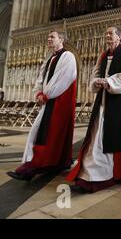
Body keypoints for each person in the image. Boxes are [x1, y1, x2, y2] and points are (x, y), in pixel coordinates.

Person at [67, 27, 121, 193]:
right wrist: (96, 82)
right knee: (96, 137)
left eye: (111, 33)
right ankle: (89, 175)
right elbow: (94, 74)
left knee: (105, 139)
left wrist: (108, 82)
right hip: (101, 101)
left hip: (116, 102)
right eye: (106, 33)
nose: (107, 35)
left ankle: (101, 177)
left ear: (119, 37)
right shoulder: (102, 56)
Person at [7, 31, 77, 181]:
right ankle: (50, 163)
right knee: (43, 133)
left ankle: (32, 167)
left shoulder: (68, 57)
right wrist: (38, 92)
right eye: (48, 37)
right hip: (49, 101)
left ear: (62, 39)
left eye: (52, 37)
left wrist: (47, 95)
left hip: (58, 102)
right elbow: (41, 78)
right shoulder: (50, 58)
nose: (49, 39)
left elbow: (65, 79)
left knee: (48, 134)